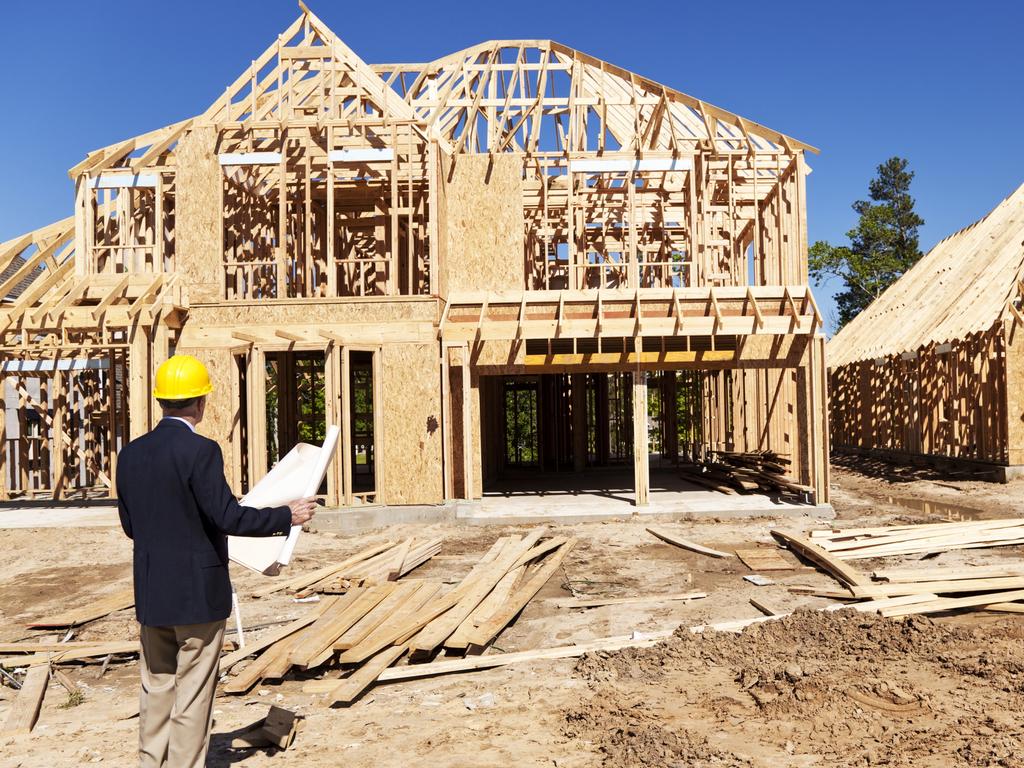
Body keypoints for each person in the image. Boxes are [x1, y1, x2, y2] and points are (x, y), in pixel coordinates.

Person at [116, 354, 318, 768]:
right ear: (201, 403)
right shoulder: (201, 451)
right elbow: (227, 516)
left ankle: (151, 762)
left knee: (156, 687)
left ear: (162, 402)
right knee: (192, 692)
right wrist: (286, 516)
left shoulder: (131, 454)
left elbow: (132, 526)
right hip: (198, 599)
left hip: (153, 595)